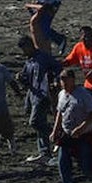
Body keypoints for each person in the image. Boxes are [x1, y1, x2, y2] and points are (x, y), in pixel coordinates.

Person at [51, 69, 92, 183]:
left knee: (85, 166)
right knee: (63, 162)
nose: (63, 82)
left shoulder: (83, 94)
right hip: (67, 135)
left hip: (83, 135)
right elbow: (60, 113)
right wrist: (55, 131)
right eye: (61, 80)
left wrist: (81, 128)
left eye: (65, 79)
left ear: (72, 79)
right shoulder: (61, 94)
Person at [16, 34, 62, 164]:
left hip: (43, 94)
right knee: (38, 121)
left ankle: (53, 141)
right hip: (32, 94)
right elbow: (27, 78)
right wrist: (20, 78)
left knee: (35, 122)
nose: (24, 52)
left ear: (30, 45)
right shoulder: (29, 61)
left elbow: (58, 67)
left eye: (24, 48)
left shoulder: (43, 57)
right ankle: (45, 150)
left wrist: (55, 81)